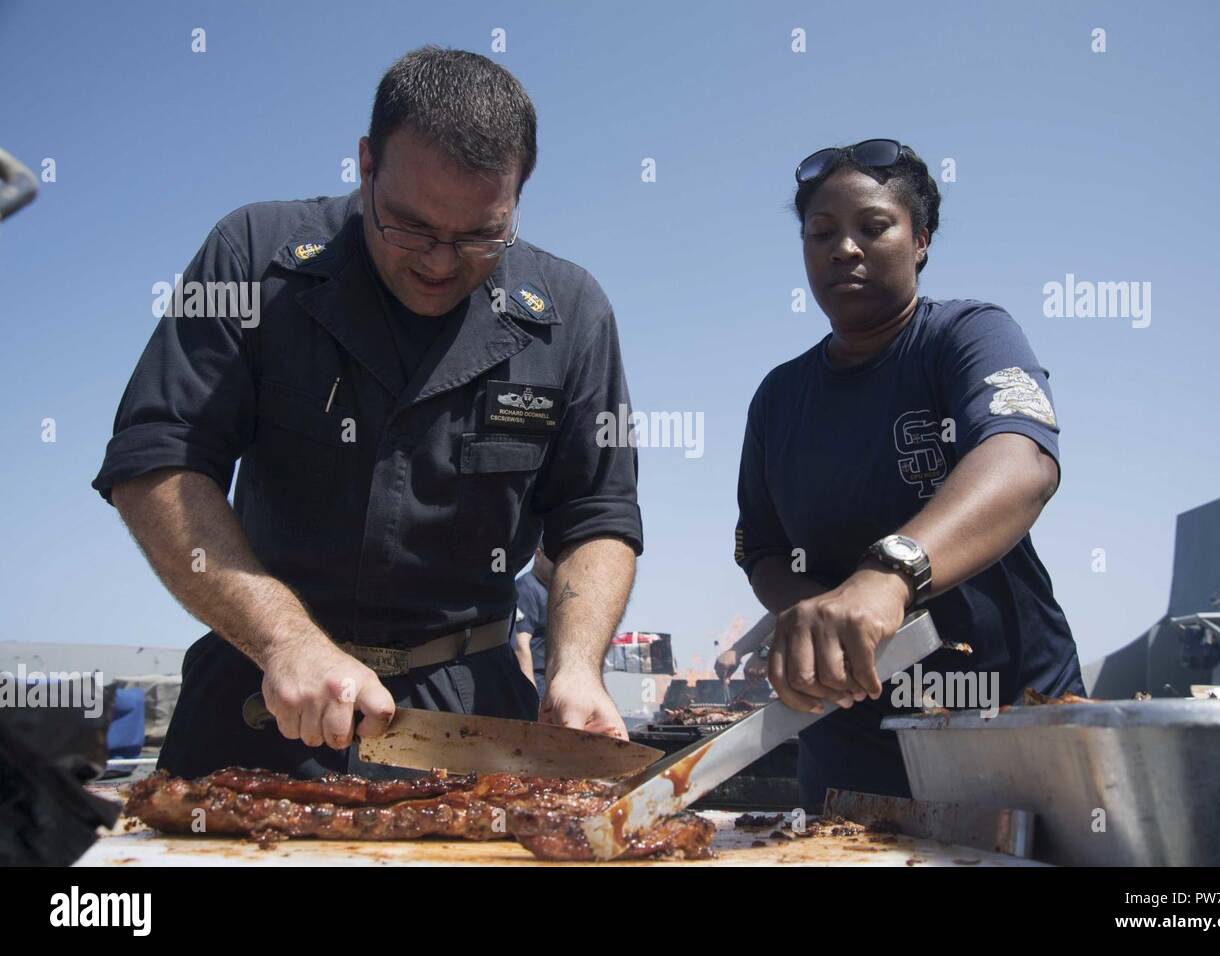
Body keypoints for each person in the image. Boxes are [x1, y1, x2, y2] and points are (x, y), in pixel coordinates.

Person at [91, 47, 642, 779]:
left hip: (473, 730)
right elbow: (159, 462)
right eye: (410, 228)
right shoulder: (254, 259)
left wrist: (575, 665)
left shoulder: (571, 313)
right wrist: (285, 640)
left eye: (480, 235)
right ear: (365, 164)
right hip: (259, 706)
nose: (441, 263)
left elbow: (597, 516)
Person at [734, 139, 1084, 807]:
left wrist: (889, 576)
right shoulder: (778, 397)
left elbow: (1022, 458)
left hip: (1004, 721)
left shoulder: (966, 335)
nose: (844, 249)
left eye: (873, 227)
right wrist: (808, 613)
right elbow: (762, 549)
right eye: (821, 233)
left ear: (920, 239)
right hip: (849, 742)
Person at [513, 546, 552, 695]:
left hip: (549, 681)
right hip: (535, 681)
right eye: (552, 558)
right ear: (538, 554)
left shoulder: (550, 591)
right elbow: (520, 645)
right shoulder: (526, 588)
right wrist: (531, 694)